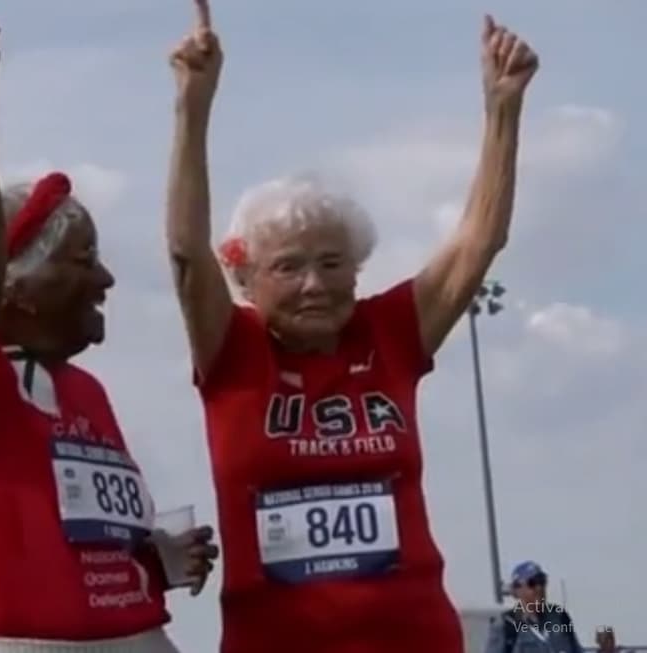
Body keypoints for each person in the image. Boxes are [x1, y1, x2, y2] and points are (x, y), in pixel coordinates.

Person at [163, 0, 538, 649]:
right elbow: (186, 251)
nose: (315, 282)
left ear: (358, 268)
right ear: (246, 280)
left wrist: (502, 109)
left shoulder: (389, 331)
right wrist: (193, 105)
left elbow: (478, 242)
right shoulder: (233, 347)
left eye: (332, 262)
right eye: (288, 266)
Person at [0, 2, 218, 651]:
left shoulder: (86, 392)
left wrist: (153, 561)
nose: (107, 280)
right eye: (84, 260)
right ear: (13, 288)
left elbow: (77, 544)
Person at [483, 562, 582, 653]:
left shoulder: (560, 617)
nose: (539, 588)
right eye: (532, 583)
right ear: (517, 590)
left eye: (542, 581)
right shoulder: (505, 626)